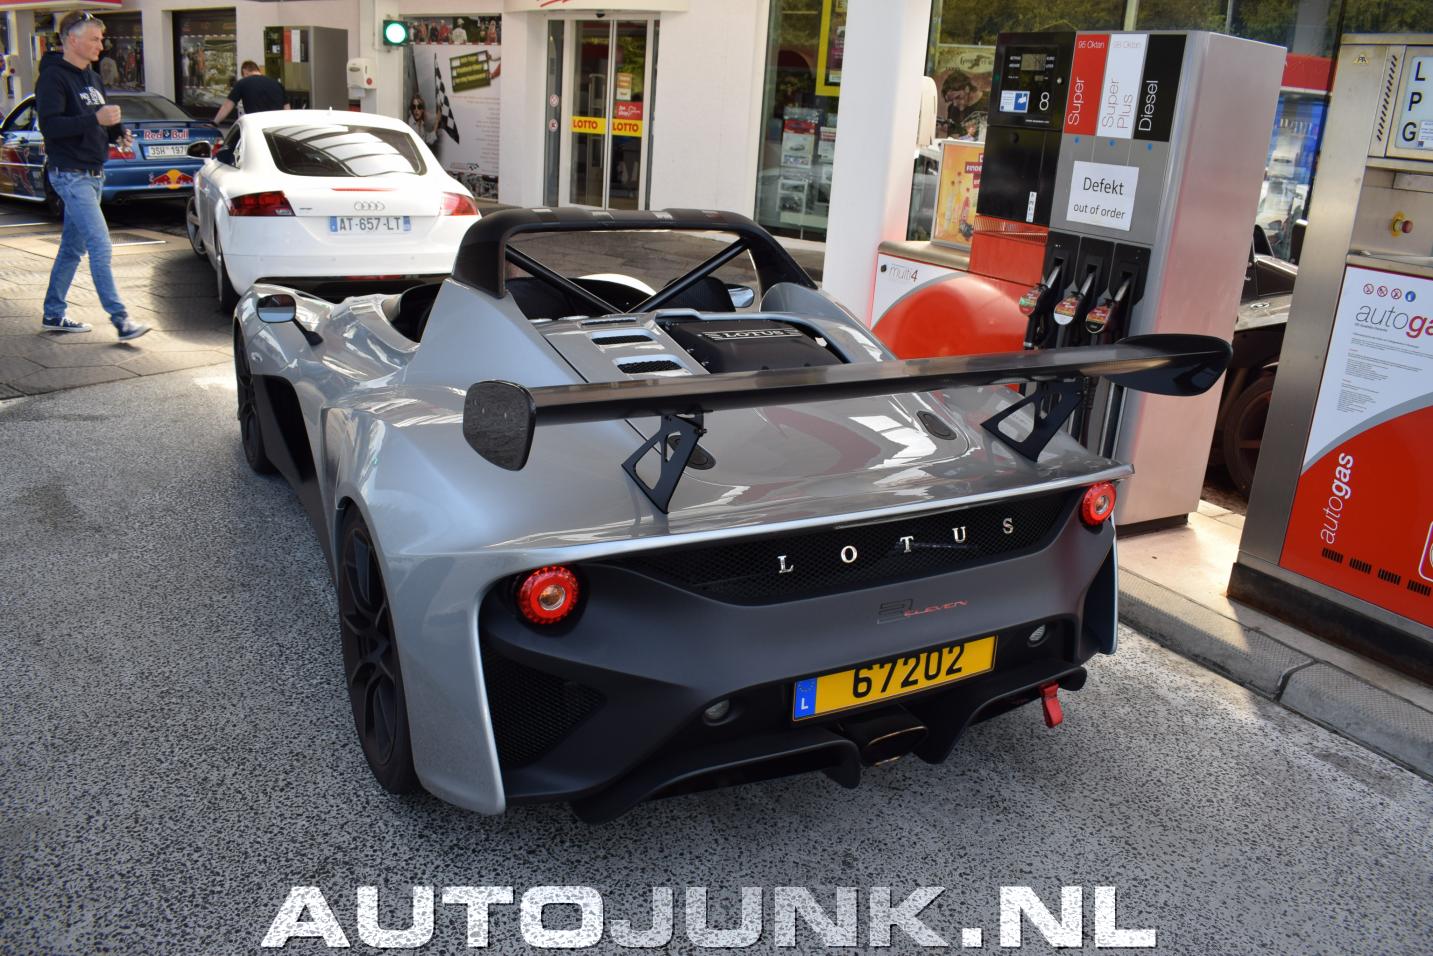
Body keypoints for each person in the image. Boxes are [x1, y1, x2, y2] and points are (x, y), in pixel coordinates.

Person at [36, 10, 147, 340]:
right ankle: (121, 320)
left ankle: (53, 313)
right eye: (95, 39)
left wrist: (118, 133)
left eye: (101, 39)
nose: (101, 45)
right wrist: (96, 120)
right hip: (70, 174)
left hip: (93, 173)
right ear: (72, 39)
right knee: (100, 245)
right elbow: (51, 126)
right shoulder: (53, 77)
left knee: (72, 249)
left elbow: (103, 119)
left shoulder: (93, 77)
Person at [213, 60, 288, 124]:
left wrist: (215, 123)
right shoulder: (277, 84)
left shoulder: (242, 83)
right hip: (276, 126)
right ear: (258, 70)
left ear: (245, 71)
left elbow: (227, 106)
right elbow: (287, 108)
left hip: (255, 125)